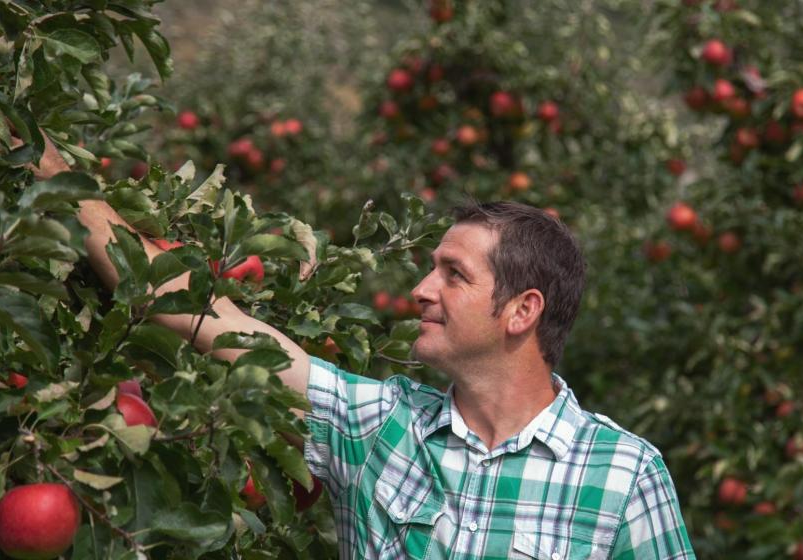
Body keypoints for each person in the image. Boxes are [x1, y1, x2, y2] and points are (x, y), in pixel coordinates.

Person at [35, 139, 694, 559]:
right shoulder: (377, 426)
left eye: (454, 275)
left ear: (523, 311)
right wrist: (54, 173)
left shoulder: (623, 477)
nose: (420, 289)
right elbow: (204, 313)